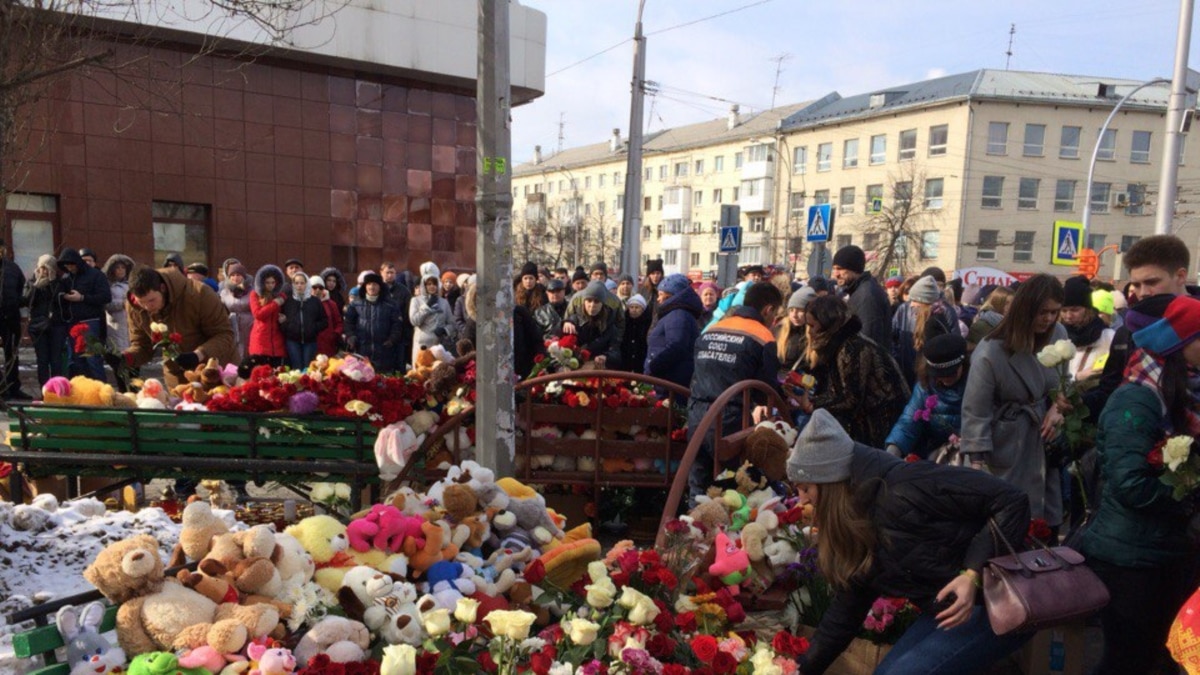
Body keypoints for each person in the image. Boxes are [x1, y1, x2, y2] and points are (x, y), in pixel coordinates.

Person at [789, 410, 1032, 675]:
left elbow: (1012, 501)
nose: (802, 500)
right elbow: (846, 613)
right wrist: (798, 670)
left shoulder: (907, 486)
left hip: (1000, 603)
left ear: (831, 483)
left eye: (806, 489)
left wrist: (971, 573)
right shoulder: (857, 523)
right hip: (948, 610)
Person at [1075, 294, 1200, 674]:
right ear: (1179, 345)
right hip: (1128, 559)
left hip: (1160, 551)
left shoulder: (1176, 393)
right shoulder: (1138, 398)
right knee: (1127, 660)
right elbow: (1131, 483)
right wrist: (1188, 494)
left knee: (1157, 658)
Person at [961, 274, 1068, 531]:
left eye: (1055, 312)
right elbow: (976, 411)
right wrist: (976, 464)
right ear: (1026, 308)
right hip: (1006, 443)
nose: (1049, 319)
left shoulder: (1059, 335)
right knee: (1007, 524)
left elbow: (1065, 382)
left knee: (1045, 522)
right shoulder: (991, 350)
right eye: (1043, 312)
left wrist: (1059, 406)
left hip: (1045, 439)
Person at [686, 282, 783, 501]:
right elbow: (765, 387)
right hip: (733, 420)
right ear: (768, 310)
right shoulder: (763, 337)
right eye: (775, 313)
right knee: (730, 490)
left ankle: (690, 531)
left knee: (698, 487)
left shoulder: (713, 328)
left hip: (697, 414)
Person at [1090, 234, 1199, 420]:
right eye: (1136, 285)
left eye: (1152, 282)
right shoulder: (1129, 331)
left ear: (1180, 276)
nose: (1143, 293)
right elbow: (1109, 388)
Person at [800, 295, 910, 448]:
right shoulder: (839, 343)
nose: (809, 332)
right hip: (868, 420)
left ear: (827, 324)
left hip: (882, 420)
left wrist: (813, 404)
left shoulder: (852, 348)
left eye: (812, 326)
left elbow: (851, 398)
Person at [124, 266, 238, 380]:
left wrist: (198, 355)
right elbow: (142, 346)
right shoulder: (134, 306)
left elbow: (225, 335)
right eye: (141, 302)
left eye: (151, 300)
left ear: (162, 288)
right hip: (177, 376)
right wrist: (125, 358)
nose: (147, 307)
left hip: (216, 372)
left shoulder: (199, 294)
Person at [885, 334, 969, 459]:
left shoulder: (977, 383)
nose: (946, 379)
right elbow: (909, 421)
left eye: (951, 373)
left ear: (963, 364)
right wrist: (892, 451)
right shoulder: (925, 386)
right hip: (935, 455)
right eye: (940, 375)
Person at [52, 248, 110, 381]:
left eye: (71, 265)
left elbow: (106, 297)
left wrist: (82, 298)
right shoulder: (66, 277)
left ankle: (101, 391)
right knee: (76, 360)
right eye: (66, 266)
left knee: (93, 358)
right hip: (72, 322)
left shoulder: (96, 275)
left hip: (90, 321)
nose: (69, 268)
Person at [891, 275, 955, 388]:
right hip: (918, 377)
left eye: (914, 300)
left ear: (924, 301)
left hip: (926, 381)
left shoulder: (933, 324)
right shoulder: (930, 318)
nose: (911, 304)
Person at [644, 274, 702, 391]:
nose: (658, 299)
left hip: (669, 383)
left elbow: (677, 346)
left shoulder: (678, 314)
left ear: (670, 295)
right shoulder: (674, 313)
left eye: (661, 294)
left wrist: (654, 366)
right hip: (667, 380)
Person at [831, 245, 891, 350]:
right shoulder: (861, 290)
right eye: (834, 269)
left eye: (839, 269)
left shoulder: (867, 295)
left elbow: (868, 340)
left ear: (854, 269)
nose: (836, 274)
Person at [1060, 275, 1114, 389]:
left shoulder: (1108, 336)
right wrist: (1077, 376)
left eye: (1075, 310)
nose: (1068, 316)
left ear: (1088, 309)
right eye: (1064, 310)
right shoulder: (1058, 335)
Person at [344, 272, 404, 372]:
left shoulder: (390, 305)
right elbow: (348, 323)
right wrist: (351, 336)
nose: (372, 287)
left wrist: (392, 339)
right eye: (369, 284)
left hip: (384, 352)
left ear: (380, 287)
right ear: (365, 287)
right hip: (361, 350)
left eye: (375, 284)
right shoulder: (355, 304)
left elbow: (397, 324)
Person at [560, 281, 620, 368]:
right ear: (584, 302)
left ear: (602, 304)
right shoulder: (573, 322)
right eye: (589, 300)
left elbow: (616, 353)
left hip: (599, 371)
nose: (592, 305)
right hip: (575, 369)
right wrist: (565, 323)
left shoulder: (610, 325)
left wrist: (606, 357)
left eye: (596, 301)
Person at [409, 262, 455, 363]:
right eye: (429, 284)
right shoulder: (416, 300)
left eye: (434, 284)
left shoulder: (444, 302)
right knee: (421, 375)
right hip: (422, 346)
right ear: (423, 285)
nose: (432, 286)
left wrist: (444, 330)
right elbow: (414, 321)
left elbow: (452, 323)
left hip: (439, 346)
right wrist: (427, 306)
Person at [101, 254, 135, 391]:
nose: (121, 270)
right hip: (115, 327)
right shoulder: (108, 285)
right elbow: (106, 304)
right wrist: (123, 303)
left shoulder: (131, 285)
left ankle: (133, 389)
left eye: (123, 268)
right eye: (117, 268)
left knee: (133, 361)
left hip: (131, 325)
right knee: (119, 362)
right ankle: (123, 390)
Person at [24, 254, 57, 388]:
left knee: (55, 360)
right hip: (37, 326)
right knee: (42, 359)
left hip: (54, 326)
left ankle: (56, 387)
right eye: (42, 268)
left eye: (47, 268)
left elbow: (58, 302)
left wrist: (52, 282)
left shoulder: (56, 283)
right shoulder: (32, 282)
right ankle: (44, 388)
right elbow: (26, 301)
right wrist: (36, 286)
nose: (44, 271)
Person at [281, 272, 327, 370]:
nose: (299, 286)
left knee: (309, 368)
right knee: (296, 368)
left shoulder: (314, 301)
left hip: (310, 341)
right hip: (292, 340)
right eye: (296, 283)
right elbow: (281, 319)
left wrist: (313, 328)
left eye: (302, 283)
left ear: (306, 284)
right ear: (293, 284)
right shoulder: (288, 301)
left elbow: (324, 321)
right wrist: (288, 327)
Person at [248, 264, 287, 369]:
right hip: (260, 338)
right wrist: (275, 303)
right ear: (262, 283)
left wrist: (283, 318)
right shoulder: (254, 294)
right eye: (267, 282)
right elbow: (258, 314)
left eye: (273, 282)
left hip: (277, 339)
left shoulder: (281, 295)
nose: (270, 285)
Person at [0, 241, 26, 399]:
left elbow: (20, 287)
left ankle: (13, 388)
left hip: (11, 316)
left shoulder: (13, 268)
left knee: (12, 354)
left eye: (2, 249)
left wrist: (16, 302)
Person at [777, 286, 816, 372]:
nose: (794, 315)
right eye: (791, 310)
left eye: (800, 310)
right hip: (780, 382)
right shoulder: (779, 329)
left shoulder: (817, 334)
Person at [220, 263, 254, 361]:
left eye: (238, 275)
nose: (235, 277)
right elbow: (222, 309)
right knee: (235, 350)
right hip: (232, 323)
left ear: (243, 276)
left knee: (249, 349)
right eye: (232, 275)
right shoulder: (224, 292)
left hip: (249, 323)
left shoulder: (252, 290)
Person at [966, 285, 1012, 352]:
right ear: (998, 303)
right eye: (1006, 303)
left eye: (1013, 303)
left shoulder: (1013, 324)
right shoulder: (981, 325)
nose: (1010, 307)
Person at [310, 276, 343, 357]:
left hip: (328, 344)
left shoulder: (331, 304)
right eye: (314, 287)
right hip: (310, 344)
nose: (317, 290)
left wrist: (335, 334)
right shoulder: (304, 303)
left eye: (320, 287)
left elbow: (339, 322)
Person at [620, 294, 650, 375]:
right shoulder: (624, 322)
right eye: (631, 307)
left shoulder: (647, 323)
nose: (634, 310)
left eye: (637, 307)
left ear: (642, 309)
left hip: (640, 361)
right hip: (625, 361)